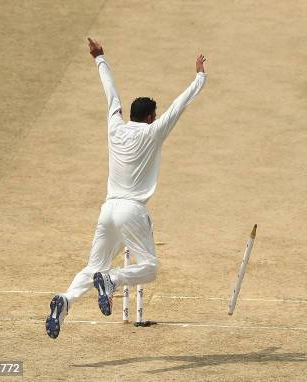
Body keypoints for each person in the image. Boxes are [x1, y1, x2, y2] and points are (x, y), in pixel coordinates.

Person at [45, 38, 207, 339]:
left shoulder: (115, 127)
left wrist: (100, 58)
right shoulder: (153, 132)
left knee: (92, 266)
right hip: (132, 211)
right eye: (154, 117)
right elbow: (178, 106)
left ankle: (65, 301)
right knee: (150, 268)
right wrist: (199, 77)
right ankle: (113, 280)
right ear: (149, 118)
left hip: (108, 211)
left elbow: (111, 95)